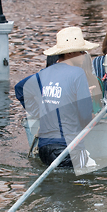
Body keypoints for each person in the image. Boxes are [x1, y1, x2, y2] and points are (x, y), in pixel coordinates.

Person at [16, 27, 100, 172]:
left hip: (44, 148)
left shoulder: (44, 73)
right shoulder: (78, 74)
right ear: (70, 53)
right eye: (81, 52)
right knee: (84, 190)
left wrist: (39, 112)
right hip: (68, 148)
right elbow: (85, 117)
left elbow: (20, 89)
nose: (84, 55)